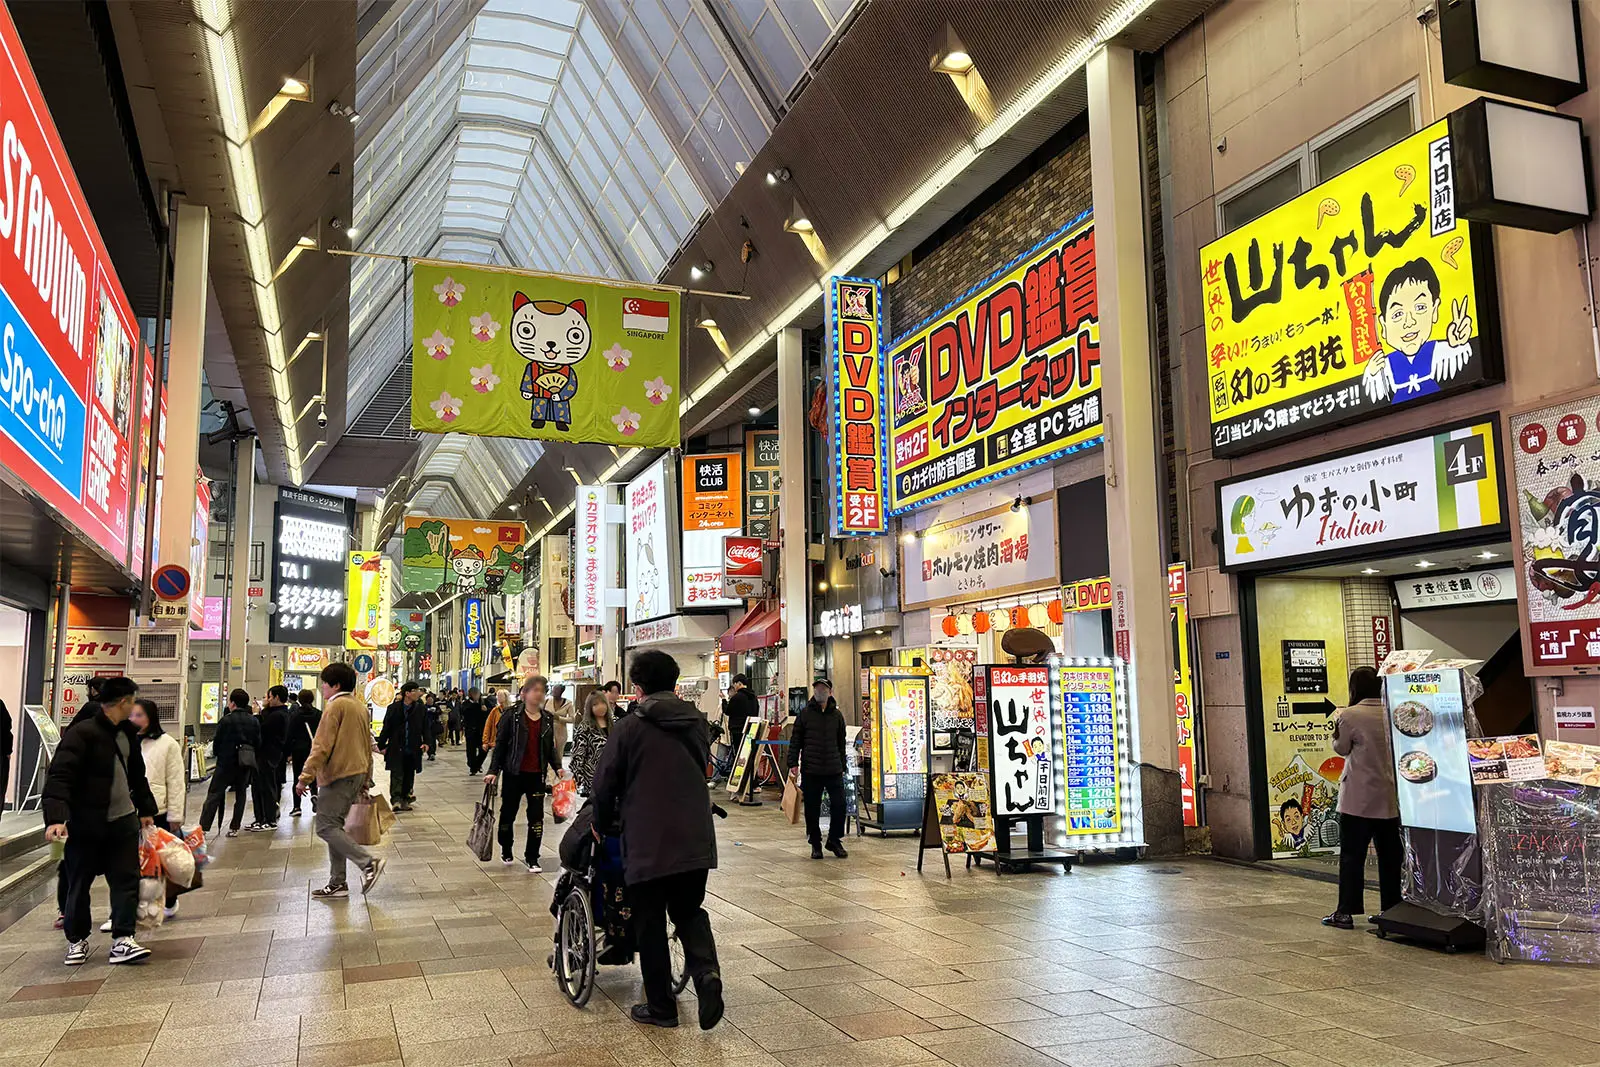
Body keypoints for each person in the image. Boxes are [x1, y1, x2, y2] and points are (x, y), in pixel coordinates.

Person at [592, 650, 723, 1030]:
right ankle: (706, 974)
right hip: (695, 836)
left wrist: (602, 823)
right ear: (675, 681)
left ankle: (662, 1008)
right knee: (689, 910)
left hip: (648, 838)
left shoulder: (629, 727)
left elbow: (605, 784)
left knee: (649, 922)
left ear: (637, 687)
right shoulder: (697, 722)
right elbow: (701, 769)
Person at [42, 676, 156, 966]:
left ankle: (123, 939)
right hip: (86, 823)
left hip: (122, 821)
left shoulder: (128, 734)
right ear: (122, 702)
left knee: (126, 880)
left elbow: (137, 775)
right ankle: (76, 940)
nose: (134, 706)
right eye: (132, 701)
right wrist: (56, 818)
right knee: (79, 883)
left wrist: (145, 809)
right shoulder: (82, 734)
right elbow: (60, 776)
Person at [297, 662, 385, 898]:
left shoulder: (335, 707)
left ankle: (367, 863)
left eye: (324, 683)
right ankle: (338, 882)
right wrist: (366, 776)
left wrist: (305, 777)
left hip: (338, 774)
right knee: (334, 826)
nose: (322, 688)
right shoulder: (358, 706)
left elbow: (321, 746)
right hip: (355, 773)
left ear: (335, 685)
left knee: (325, 826)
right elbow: (367, 743)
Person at [1324, 666, 1402, 929]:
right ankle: (1392, 909)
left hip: (1357, 798)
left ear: (1354, 687)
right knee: (1391, 856)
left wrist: (1336, 731)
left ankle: (1345, 911)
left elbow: (1341, 748)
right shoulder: (1393, 713)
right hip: (1388, 796)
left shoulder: (1350, 715)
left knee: (1352, 856)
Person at [485, 675, 561, 872]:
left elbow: (549, 747)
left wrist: (558, 766)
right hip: (513, 773)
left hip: (537, 776)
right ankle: (506, 847)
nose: (539, 694)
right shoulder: (511, 716)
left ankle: (532, 857)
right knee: (508, 814)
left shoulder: (547, 719)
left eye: (542, 691)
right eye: (535, 690)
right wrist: (493, 771)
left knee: (536, 817)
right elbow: (500, 746)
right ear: (524, 693)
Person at [129, 698, 187, 922]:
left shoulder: (167, 744)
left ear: (151, 718)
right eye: (132, 715)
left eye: (140, 715)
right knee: (132, 862)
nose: (135, 720)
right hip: (128, 810)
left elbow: (176, 782)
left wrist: (175, 815)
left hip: (158, 811)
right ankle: (132, 906)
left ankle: (168, 899)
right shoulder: (125, 741)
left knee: (161, 861)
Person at [787, 678, 849, 860]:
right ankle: (815, 843)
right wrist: (792, 763)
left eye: (823, 688)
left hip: (833, 768)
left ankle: (834, 839)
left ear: (830, 692)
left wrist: (843, 764)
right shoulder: (805, 714)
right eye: (817, 688)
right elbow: (795, 740)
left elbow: (841, 743)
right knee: (812, 809)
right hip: (811, 770)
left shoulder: (837, 716)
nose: (820, 691)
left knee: (840, 804)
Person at [201, 689, 261, 838]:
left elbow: (217, 742)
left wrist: (218, 755)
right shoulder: (254, 720)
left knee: (214, 795)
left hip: (225, 763)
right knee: (241, 795)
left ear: (232, 703)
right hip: (244, 762)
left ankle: (204, 827)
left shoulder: (226, 720)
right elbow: (258, 742)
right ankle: (234, 827)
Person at [377, 682, 429, 812]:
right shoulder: (393, 708)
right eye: (415, 690)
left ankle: (405, 798)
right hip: (396, 746)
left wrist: (427, 742)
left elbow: (426, 727)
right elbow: (387, 728)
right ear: (407, 693)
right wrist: (382, 744)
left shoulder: (420, 709)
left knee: (409, 774)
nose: (418, 693)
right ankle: (396, 800)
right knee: (397, 773)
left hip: (413, 746)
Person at [250, 685, 291, 831]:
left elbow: (260, 730)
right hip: (262, 755)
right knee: (257, 787)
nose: (265, 699)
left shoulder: (279, 715)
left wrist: (256, 715)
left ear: (277, 698)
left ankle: (270, 819)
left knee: (267, 787)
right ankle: (260, 818)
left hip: (269, 755)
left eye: (268, 697)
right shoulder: (272, 713)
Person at [569, 690, 611, 795]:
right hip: (593, 778)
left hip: (613, 777)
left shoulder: (615, 724)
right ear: (590, 708)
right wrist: (580, 780)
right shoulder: (585, 728)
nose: (600, 707)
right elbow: (577, 756)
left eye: (603, 703)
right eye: (595, 704)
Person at [287, 690, 322, 816]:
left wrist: (288, 752)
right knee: (313, 774)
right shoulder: (318, 714)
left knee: (298, 776)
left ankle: (297, 807)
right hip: (314, 749)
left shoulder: (295, 715)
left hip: (298, 749)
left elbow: (289, 734)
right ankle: (314, 795)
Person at [722, 674, 757, 753]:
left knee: (739, 753)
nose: (734, 687)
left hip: (737, 731)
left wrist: (724, 700)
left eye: (734, 684)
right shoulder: (754, 697)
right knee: (748, 754)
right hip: (751, 729)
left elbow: (727, 711)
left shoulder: (737, 697)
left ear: (739, 683)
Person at [460, 687, 490, 775]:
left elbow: (491, 712)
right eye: (474, 694)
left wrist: (486, 710)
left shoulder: (485, 702)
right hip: (470, 731)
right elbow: (464, 712)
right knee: (471, 751)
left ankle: (477, 765)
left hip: (482, 731)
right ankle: (473, 767)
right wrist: (475, 705)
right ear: (470, 695)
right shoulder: (466, 704)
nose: (476, 696)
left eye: (477, 694)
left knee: (483, 750)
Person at [546, 682, 576, 748]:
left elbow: (572, 719)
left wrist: (559, 718)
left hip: (561, 733)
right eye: (553, 689)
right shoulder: (547, 701)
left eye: (557, 690)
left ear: (561, 691)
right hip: (547, 731)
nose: (554, 691)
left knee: (558, 755)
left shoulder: (568, 703)